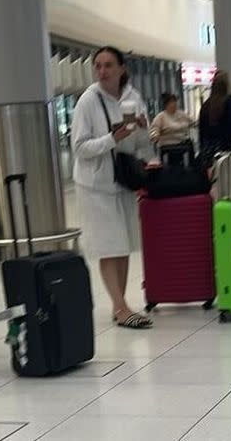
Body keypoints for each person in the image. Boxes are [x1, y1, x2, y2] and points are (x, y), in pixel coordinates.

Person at [71, 45, 153, 329]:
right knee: (108, 245)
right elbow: (79, 147)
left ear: (122, 69)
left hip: (124, 180)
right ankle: (120, 308)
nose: (103, 71)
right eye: (98, 66)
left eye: (108, 65)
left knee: (123, 243)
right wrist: (111, 139)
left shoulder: (133, 98)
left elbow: (143, 144)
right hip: (96, 185)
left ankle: (122, 303)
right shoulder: (88, 101)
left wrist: (143, 129)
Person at [150, 93, 195, 162]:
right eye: (171, 102)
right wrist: (156, 136)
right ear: (166, 104)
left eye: (175, 102)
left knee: (190, 145)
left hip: (182, 142)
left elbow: (193, 122)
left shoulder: (182, 114)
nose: (174, 104)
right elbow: (154, 130)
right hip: (167, 144)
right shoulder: (160, 117)